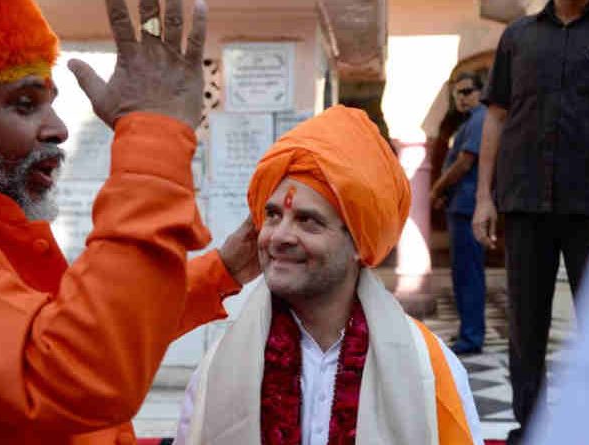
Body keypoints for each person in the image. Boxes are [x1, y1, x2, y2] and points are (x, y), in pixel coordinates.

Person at [0, 0, 258, 443]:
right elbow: (76, 367)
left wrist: (223, 271)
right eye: (25, 103)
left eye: (50, 104)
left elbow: (80, 322)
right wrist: (153, 138)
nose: (59, 129)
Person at [174, 105, 483, 445]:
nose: (279, 236)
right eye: (273, 216)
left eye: (308, 221)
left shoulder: (430, 368)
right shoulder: (220, 366)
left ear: (358, 245)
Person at [472, 1, 589, 443]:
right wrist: (484, 197)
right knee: (525, 324)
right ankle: (532, 426)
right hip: (525, 201)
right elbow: (496, 117)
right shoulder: (517, 37)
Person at [429, 72, 487, 355]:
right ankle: (468, 331)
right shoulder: (469, 122)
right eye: (457, 94)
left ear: (479, 92)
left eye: (467, 91)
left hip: (467, 208)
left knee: (469, 274)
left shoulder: (479, 119)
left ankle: (472, 336)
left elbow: (465, 163)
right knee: (462, 273)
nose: (462, 98)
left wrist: (437, 189)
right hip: (459, 204)